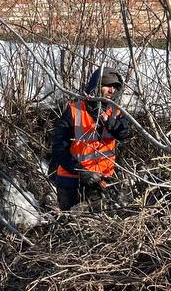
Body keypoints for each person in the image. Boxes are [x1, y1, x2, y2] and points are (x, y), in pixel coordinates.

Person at [50, 67, 132, 212]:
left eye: (115, 87)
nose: (111, 91)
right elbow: (58, 148)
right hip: (71, 181)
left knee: (99, 227)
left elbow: (124, 133)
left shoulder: (116, 112)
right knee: (70, 226)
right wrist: (81, 170)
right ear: (96, 85)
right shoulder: (74, 110)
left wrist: (110, 123)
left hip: (101, 181)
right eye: (107, 85)